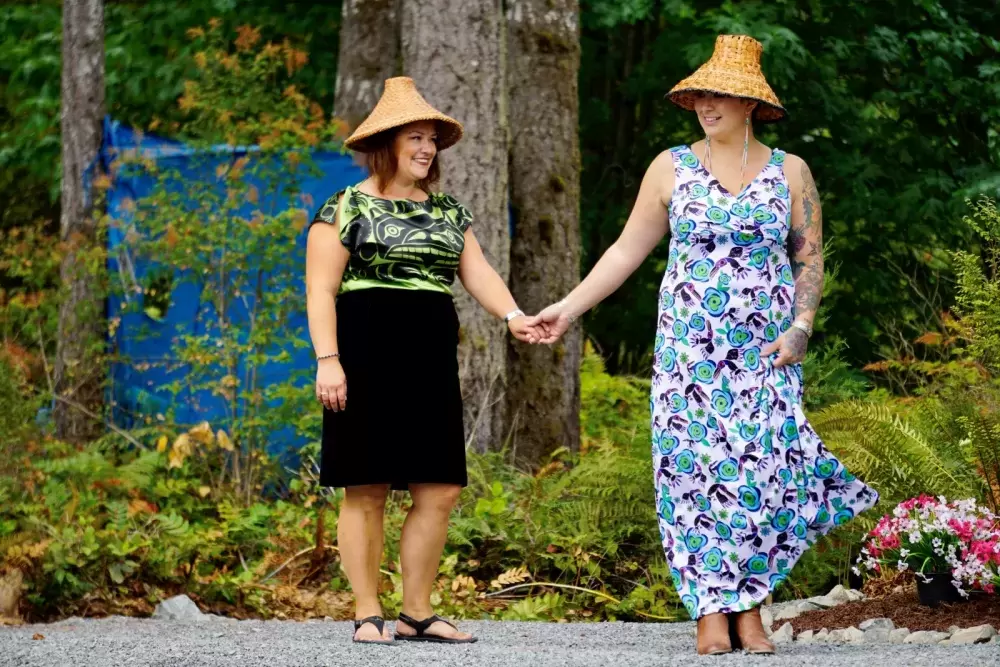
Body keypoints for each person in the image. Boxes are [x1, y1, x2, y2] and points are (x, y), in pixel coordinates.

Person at [527, 35, 878, 655]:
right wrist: (566, 309)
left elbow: (810, 258)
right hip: (689, 352)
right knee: (693, 472)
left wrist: (801, 327)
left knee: (762, 469)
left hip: (765, 350)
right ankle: (712, 611)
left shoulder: (791, 170)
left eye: (720, 96)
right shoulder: (670, 167)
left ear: (751, 104)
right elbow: (626, 251)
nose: (706, 107)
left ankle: (752, 606)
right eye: (699, 97)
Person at [305, 76, 540, 645]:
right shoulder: (344, 205)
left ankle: (416, 611)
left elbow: (476, 270)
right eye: (415, 137)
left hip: (430, 361)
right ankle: (367, 611)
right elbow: (319, 290)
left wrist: (512, 316)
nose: (426, 149)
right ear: (385, 143)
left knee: (440, 488)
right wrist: (327, 360)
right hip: (361, 355)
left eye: (432, 139)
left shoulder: (447, 211)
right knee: (366, 486)